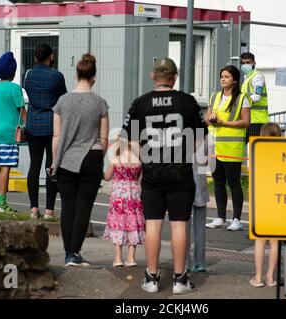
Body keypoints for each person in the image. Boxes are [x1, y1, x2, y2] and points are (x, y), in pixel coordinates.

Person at [121, 57, 207, 294]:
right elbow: (199, 140)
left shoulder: (140, 103)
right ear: (174, 77)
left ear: (153, 76)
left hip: (153, 173)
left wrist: (147, 160)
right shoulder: (188, 102)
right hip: (180, 171)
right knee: (180, 225)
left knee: (153, 225)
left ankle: (151, 277)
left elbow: (131, 141)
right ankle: (180, 279)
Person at [52, 53, 109, 267]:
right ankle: (75, 252)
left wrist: (54, 161)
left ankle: (68, 253)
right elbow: (103, 138)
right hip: (92, 156)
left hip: (66, 157)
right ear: (94, 77)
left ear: (76, 75)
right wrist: (99, 158)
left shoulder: (62, 101)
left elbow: (56, 136)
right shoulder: (100, 103)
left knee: (67, 206)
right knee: (84, 206)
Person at [205, 65, 250, 231]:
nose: (223, 79)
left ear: (235, 80)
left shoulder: (242, 98)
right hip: (214, 146)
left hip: (231, 148)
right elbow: (207, 119)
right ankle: (220, 217)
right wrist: (212, 118)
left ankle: (237, 219)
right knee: (218, 183)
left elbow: (246, 122)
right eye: (222, 76)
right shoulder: (215, 97)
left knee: (234, 183)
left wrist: (224, 123)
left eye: (227, 77)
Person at [24, 43, 67, 220]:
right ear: (51, 56)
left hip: (33, 124)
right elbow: (63, 99)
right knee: (51, 166)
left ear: (35, 57)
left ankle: (34, 208)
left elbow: (28, 93)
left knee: (34, 166)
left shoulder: (29, 75)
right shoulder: (56, 76)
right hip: (52, 126)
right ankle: (49, 210)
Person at [0, 52, 26, 213]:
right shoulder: (15, 88)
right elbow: (22, 111)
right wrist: (30, 123)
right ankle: (3, 202)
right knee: (6, 166)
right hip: (10, 132)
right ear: (13, 71)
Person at [103, 136, 145, 267]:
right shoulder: (138, 161)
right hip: (134, 193)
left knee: (118, 223)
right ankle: (131, 258)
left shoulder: (116, 159)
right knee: (133, 222)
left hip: (119, 194)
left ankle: (118, 258)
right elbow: (140, 179)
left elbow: (107, 177)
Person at [249, 122, 281, 288]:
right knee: (275, 241)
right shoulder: (283, 154)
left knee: (260, 240)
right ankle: (270, 277)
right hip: (277, 199)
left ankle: (258, 277)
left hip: (261, 198)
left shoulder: (257, 150)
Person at [185, 138, 209, 273]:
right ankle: (200, 262)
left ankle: (184, 262)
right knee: (200, 227)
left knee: (183, 227)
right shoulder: (206, 137)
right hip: (200, 184)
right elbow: (206, 161)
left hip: (183, 185)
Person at [240, 52, 269, 143]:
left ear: (254, 63)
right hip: (250, 120)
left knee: (256, 150)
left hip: (257, 121)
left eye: (248, 62)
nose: (245, 65)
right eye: (243, 63)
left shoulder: (257, 77)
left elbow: (257, 96)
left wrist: (240, 104)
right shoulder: (248, 78)